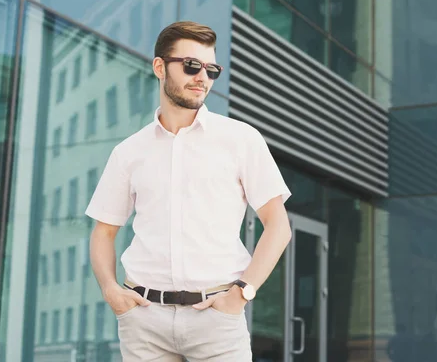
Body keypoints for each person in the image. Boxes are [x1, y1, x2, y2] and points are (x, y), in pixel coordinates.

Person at [85, 21, 292, 361]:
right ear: (159, 67)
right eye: (191, 66)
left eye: (211, 70)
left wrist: (242, 292)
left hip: (216, 319)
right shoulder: (129, 152)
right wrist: (111, 291)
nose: (202, 78)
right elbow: (103, 231)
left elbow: (278, 226)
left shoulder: (241, 140)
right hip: (144, 320)